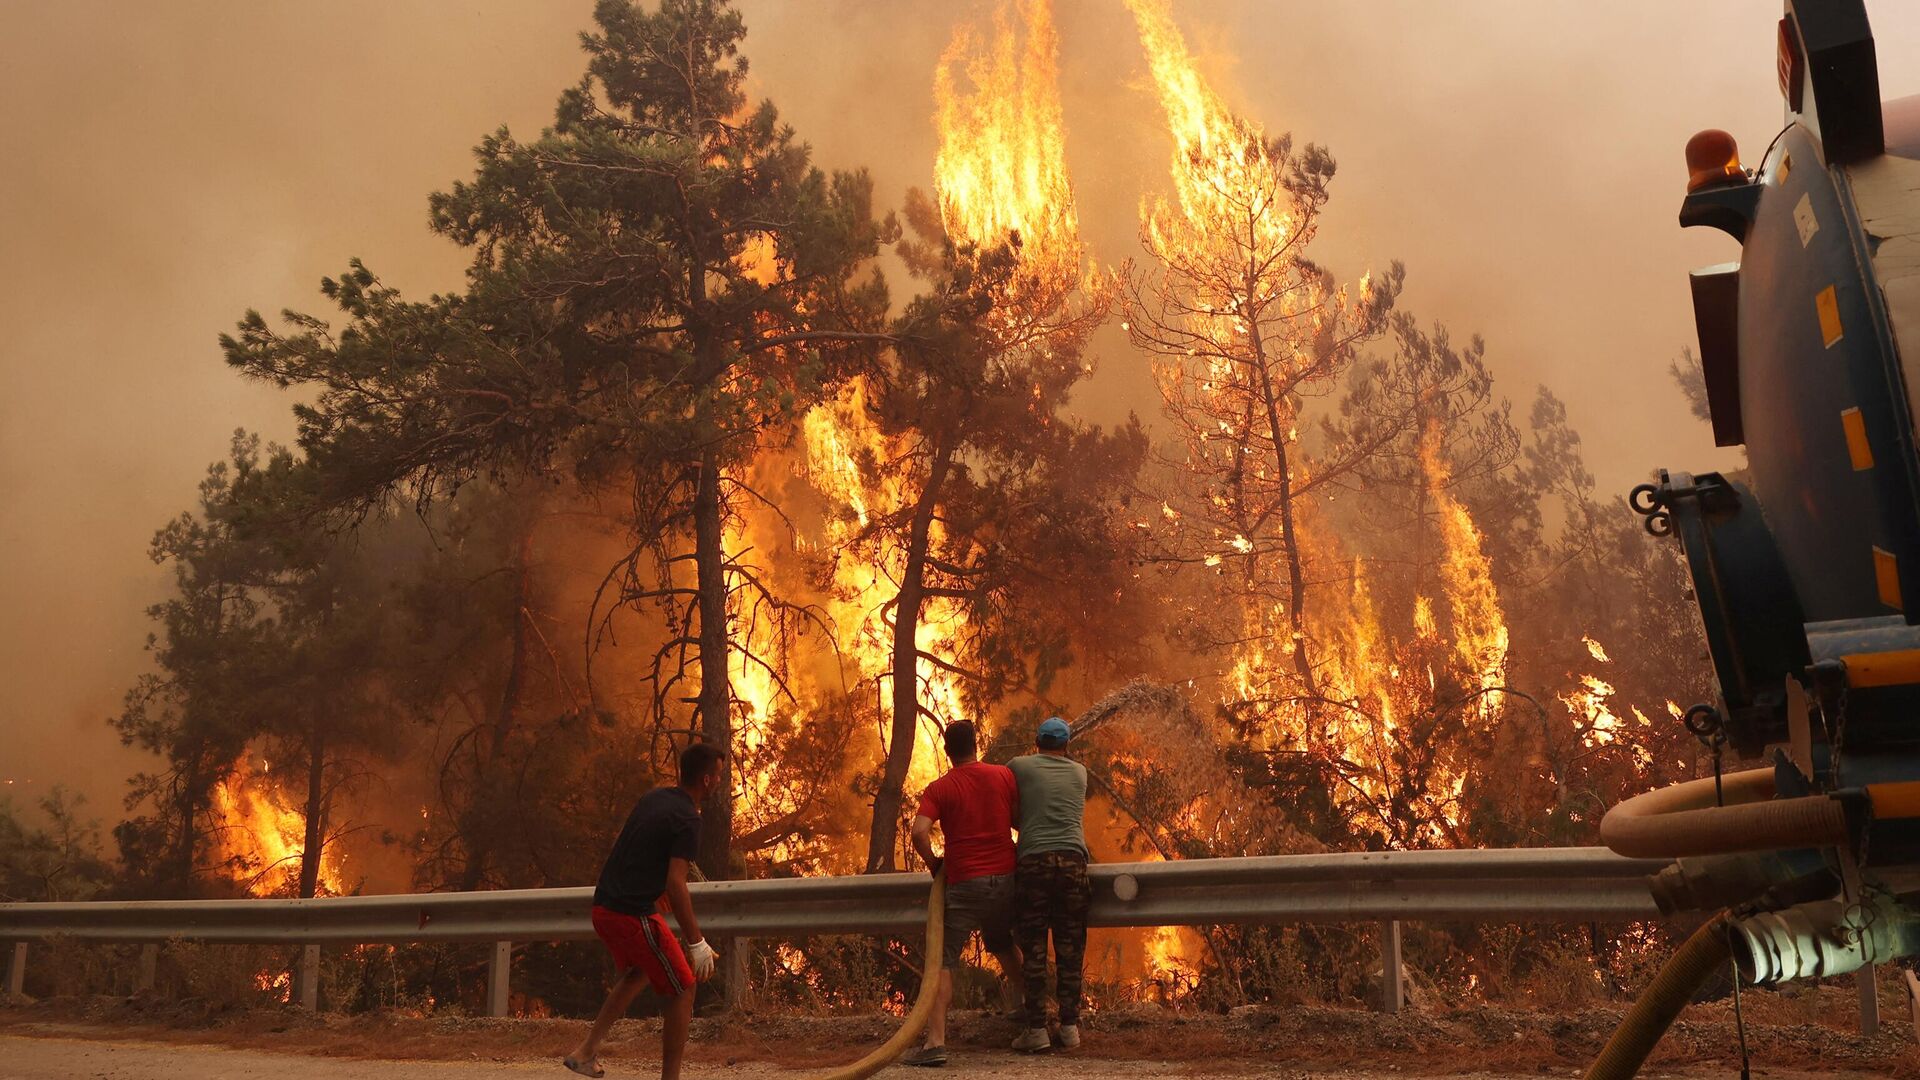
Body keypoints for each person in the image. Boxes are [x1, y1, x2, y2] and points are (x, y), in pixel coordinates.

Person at [565, 742, 726, 1080]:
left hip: (605, 907)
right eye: (720, 777)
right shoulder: (688, 819)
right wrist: (696, 942)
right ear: (707, 779)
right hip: (629, 914)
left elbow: (639, 851)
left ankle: (584, 1053)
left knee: (638, 972)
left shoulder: (656, 798)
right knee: (684, 989)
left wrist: (654, 889)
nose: (721, 783)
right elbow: (677, 882)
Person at [903, 720, 1022, 1068]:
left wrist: (934, 864)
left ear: (947, 751)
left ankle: (935, 1043)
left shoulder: (940, 788)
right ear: (976, 743)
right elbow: (1017, 819)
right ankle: (1037, 1018)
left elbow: (918, 832)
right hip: (1005, 880)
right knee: (1003, 945)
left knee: (943, 961)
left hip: (964, 883)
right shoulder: (1002, 776)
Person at [1007, 716, 1090, 1053]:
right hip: (1073, 861)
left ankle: (1037, 1030)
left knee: (1034, 951)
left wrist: (1022, 820)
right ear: (1066, 745)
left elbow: (1011, 811)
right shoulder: (1080, 772)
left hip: (1034, 862)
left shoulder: (1018, 766)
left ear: (1036, 741)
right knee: (1071, 948)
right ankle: (1070, 1028)